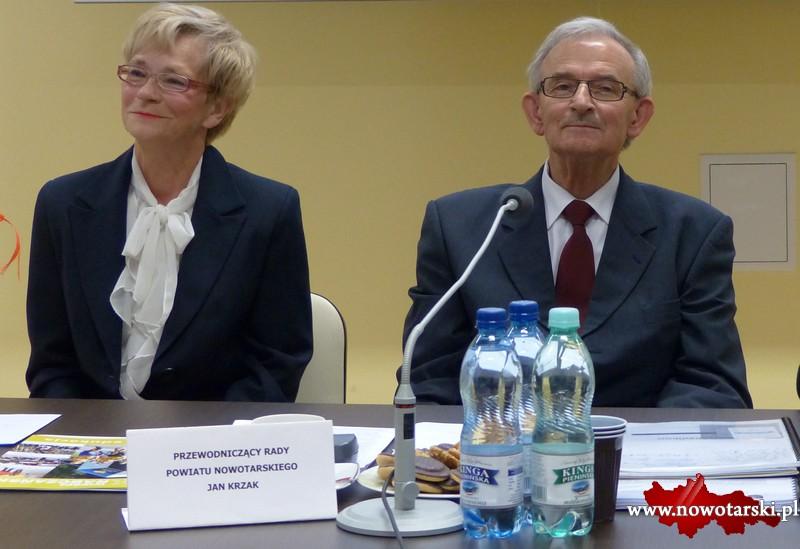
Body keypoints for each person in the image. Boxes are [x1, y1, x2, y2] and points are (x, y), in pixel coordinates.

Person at [402, 16, 752, 408]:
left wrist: (624, 443)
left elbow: (712, 386)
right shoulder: (459, 227)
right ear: (536, 112)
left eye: (605, 89)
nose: (582, 102)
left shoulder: (694, 233)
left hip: (635, 443)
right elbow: (430, 380)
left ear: (638, 117)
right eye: (562, 86)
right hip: (501, 444)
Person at [26, 4, 312, 401]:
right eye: (136, 73)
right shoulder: (62, 204)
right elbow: (52, 365)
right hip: (90, 436)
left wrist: (200, 437)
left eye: (173, 81)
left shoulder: (269, 211)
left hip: (211, 435)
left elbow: (275, 365)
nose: (145, 93)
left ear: (217, 107)